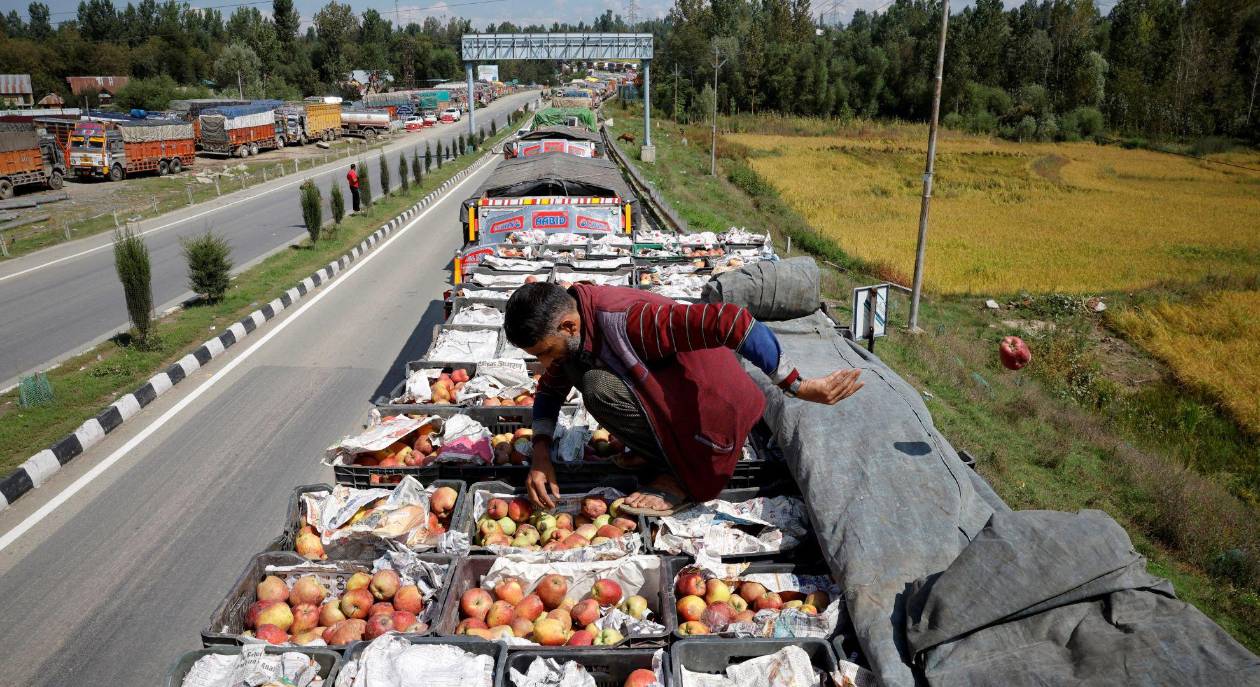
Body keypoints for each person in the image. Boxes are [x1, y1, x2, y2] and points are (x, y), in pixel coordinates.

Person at [504, 282, 864, 516]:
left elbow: (733, 322)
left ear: (568, 325)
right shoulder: (579, 325)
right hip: (675, 404)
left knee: (597, 386)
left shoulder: (629, 321)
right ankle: (657, 451)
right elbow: (551, 389)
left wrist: (797, 385)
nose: (544, 363)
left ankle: (677, 476)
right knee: (576, 371)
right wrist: (540, 453)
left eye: (545, 351)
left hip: (716, 417)